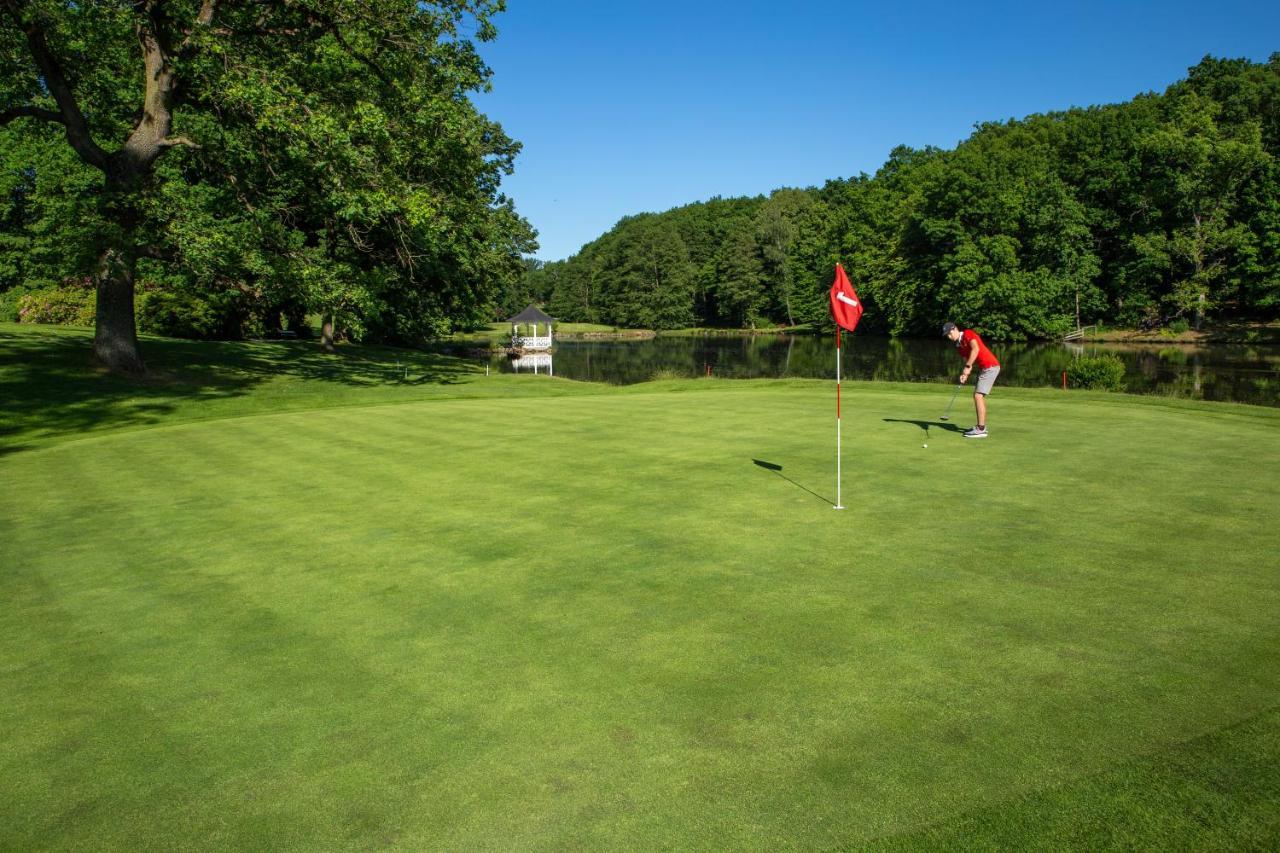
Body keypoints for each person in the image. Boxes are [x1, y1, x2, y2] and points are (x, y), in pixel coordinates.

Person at [942, 322, 1000, 438]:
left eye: (950, 333)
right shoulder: (959, 346)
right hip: (984, 368)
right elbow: (968, 360)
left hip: (990, 366)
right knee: (977, 395)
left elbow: (976, 349)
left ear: (955, 329)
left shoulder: (968, 333)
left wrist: (967, 367)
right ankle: (981, 427)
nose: (949, 337)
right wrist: (965, 374)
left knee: (978, 396)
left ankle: (981, 429)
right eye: (947, 335)